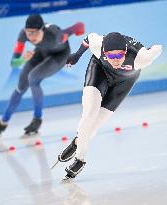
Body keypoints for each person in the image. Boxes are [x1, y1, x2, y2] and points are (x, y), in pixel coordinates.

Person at [56, 32, 162, 180]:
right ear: (104, 52)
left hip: (124, 82)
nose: (116, 60)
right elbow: (89, 38)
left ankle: (77, 142)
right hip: (100, 70)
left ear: (125, 52)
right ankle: (80, 159)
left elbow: (158, 48)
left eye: (119, 55)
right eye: (111, 56)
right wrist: (77, 55)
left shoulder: (141, 58)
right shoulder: (98, 44)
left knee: (95, 124)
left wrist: (150, 50)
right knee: (89, 114)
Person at [0, 14, 85, 138]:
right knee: (20, 87)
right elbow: (13, 62)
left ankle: (37, 119)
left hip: (59, 56)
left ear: (42, 29)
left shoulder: (56, 35)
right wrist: (22, 59)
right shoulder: (23, 34)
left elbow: (78, 26)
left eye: (34, 33)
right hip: (41, 53)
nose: (31, 37)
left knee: (33, 78)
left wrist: (80, 30)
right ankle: (2, 123)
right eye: (28, 33)